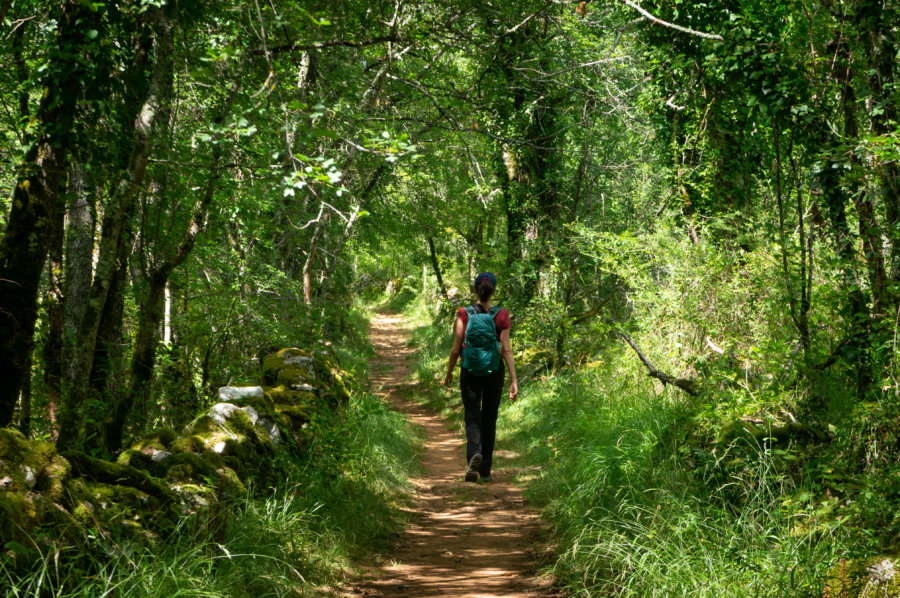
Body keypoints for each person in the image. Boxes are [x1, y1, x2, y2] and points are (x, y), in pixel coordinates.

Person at [444, 272, 518, 482]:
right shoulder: (502, 315)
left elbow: (456, 349)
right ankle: (485, 470)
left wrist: (449, 372)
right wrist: (514, 379)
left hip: (469, 371)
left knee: (472, 417)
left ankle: (474, 455)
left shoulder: (464, 313)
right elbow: (506, 350)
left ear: (475, 289)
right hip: (494, 371)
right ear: (493, 290)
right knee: (489, 418)